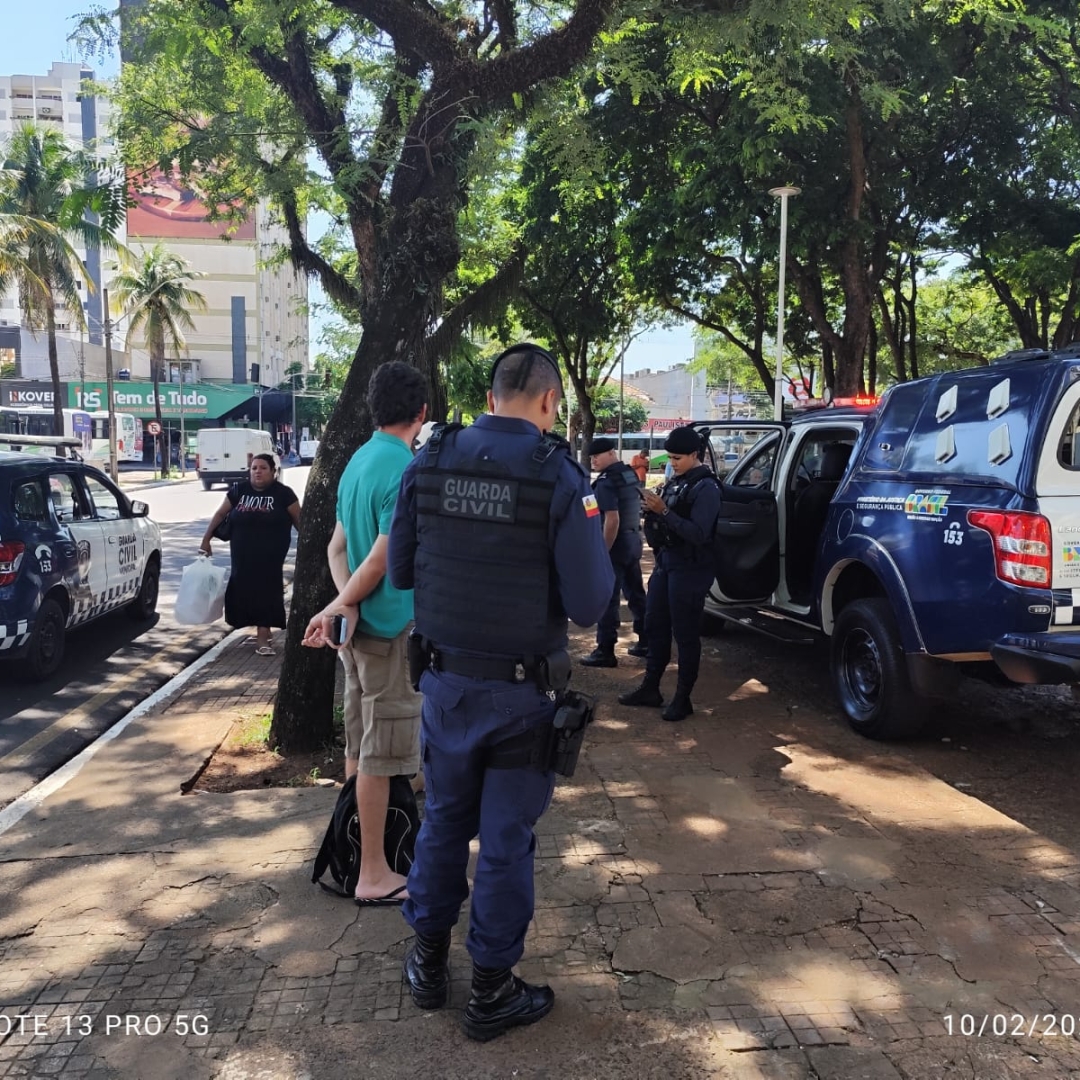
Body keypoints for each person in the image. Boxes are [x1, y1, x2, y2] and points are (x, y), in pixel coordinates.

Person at [387, 343, 613, 1041]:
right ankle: (490, 991)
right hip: (523, 702)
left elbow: (400, 572)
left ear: (490, 398)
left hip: (447, 690)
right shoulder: (559, 478)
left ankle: (428, 967)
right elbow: (589, 604)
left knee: (445, 823)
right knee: (507, 842)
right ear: (549, 402)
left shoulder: (428, 460)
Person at [301, 361, 428, 906]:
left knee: (359, 743)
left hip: (357, 634)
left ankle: (360, 852)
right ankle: (373, 873)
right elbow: (379, 558)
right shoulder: (405, 468)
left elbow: (338, 548)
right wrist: (345, 603)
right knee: (382, 751)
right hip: (387, 633)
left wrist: (341, 606)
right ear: (422, 413)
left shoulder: (357, 461)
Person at [618, 425, 721, 722]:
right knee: (655, 625)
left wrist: (664, 512)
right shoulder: (678, 482)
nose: (672, 463)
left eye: (678, 458)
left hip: (691, 568)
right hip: (667, 563)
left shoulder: (707, 488)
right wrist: (652, 512)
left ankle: (683, 698)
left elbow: (699, 533)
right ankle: (651, 688)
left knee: (686, 633)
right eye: (670, 458)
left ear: (694, 455)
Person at [200, 453, 300, 655]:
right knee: (243, 591)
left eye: (263, 468)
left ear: (273, 471)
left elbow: (301, 521)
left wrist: (311, 548)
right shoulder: (239, 490)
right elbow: (220, 514)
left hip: (270, 556)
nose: (258, 472)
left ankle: (262, 637)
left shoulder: (284, 494)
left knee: (266, 591)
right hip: (242, 555)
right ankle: (261, 628)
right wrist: (206, 539)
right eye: (254, 468)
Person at [580, 436, 648, 667]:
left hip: (615, 546)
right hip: (632, 542)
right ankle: (646, 641)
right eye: (591, 457)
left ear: (610, 453)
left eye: (596, 456)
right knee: (636, 594)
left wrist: (602, 551)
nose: (593, 461)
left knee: (608, 598)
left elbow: (611, 520)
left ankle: (605, 650)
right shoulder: (628, 475)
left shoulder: (607, 482)